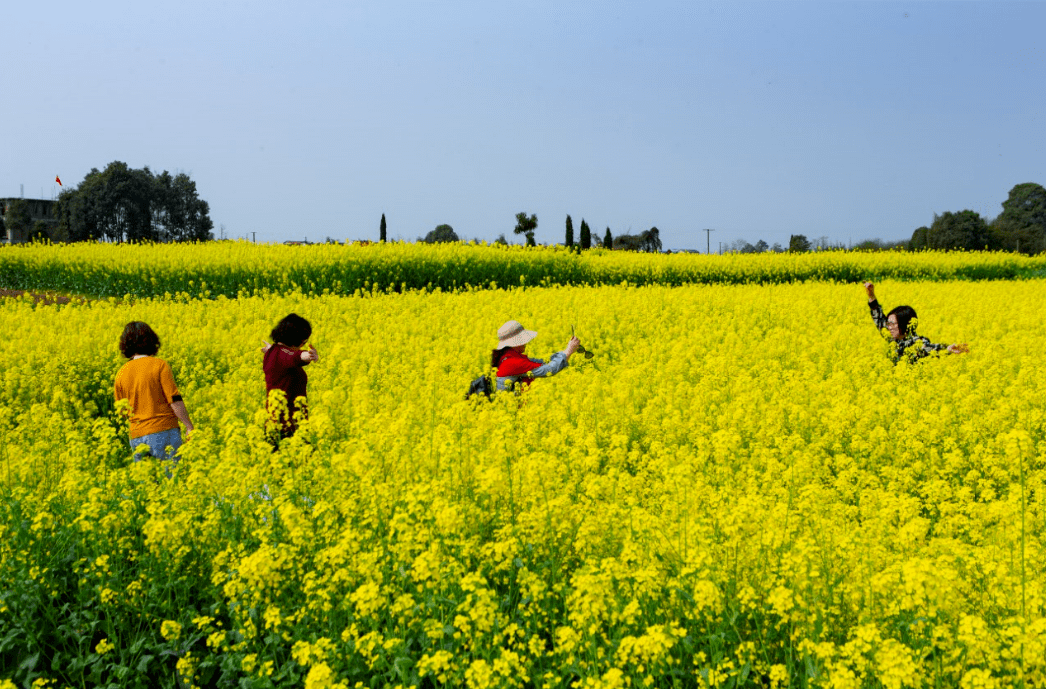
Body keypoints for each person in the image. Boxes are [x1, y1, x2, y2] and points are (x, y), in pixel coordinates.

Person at [114, 322, 194, 463]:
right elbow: (174, 399)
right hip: (163, 431)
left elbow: (122, 412)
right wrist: (189, 426)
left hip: (136, 436)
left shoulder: (121, 373)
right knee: (170, 480)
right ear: (152, 341)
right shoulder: (159, 365)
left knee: (146, 483)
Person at [863, 282, 969, 363]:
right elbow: (880, 321)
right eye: (888, 323)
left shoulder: (916, 342)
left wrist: (947, 349)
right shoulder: (893, 339)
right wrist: (871, 296)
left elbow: (929, 348)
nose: (888, 327)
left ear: (905, 324)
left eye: (892, 324)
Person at [261, 313, 319, 444]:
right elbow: (295, 357)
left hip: (281, 422)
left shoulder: (274, 352)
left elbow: (284, 354)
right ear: (294, 339)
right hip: (286, 427)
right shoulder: (283, 355)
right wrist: (308, 355)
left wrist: (270, 349)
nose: (302, 345)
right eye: (303, 342)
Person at [492, 320, 580, 392]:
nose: (525, 343)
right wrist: (568, 351)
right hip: (511, 408)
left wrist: (566, 351)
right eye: (522, 340)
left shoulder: (507, 356)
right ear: (514, 343)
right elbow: (548, 370)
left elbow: (543, 362)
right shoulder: (512, 362)